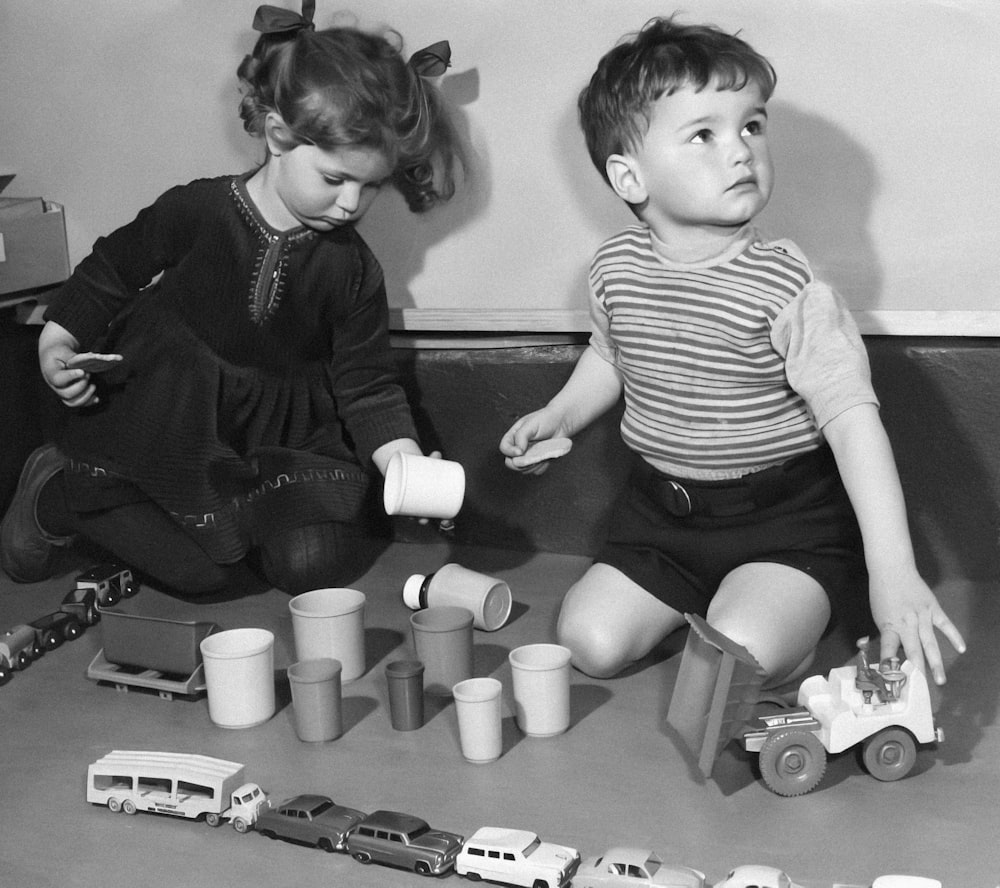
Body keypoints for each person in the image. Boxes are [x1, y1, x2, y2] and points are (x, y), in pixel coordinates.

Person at [500, 16, 965, 686]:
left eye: (752, 125)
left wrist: (892, 570)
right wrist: (561, 415)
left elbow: (854, 423)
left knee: (736, 655)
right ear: (630, 178)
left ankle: (784, 618)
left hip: (784, 525)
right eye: (704, 135)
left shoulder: (788, 286)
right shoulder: (615, 268)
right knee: (588, 642)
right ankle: (717, 603)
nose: (742, 150)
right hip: (660, 519)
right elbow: (611, 356)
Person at [1, 3, 465, 596]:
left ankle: (203, 524)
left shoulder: (353, 270)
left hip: (270, 440)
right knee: (207, 576)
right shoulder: (199, 209)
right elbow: (114, 268)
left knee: (312, 566)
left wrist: (405, 462)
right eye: (334, 179)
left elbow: (367, 384)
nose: (352, 204)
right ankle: (56, 494)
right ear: (278, 137)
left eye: (372, 184)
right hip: (162, 412)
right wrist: (57, 340)